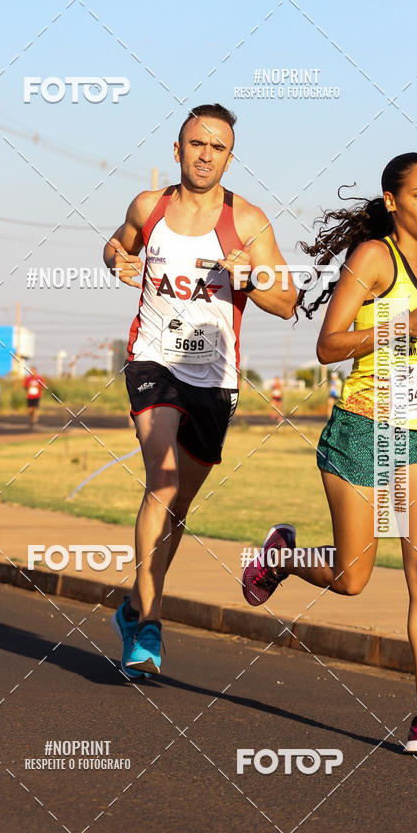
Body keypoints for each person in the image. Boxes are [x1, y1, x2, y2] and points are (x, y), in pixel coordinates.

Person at [242, 152, 417, 757]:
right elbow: (329, 345)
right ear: (393, 201)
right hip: (363, 431)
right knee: (352, 579)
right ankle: (283, 558)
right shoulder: (373, 257)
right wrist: (404, 327)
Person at [104, 103, 297, 677]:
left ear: (229, 158)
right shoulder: (149, 207)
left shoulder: (249, 222)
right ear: (178, 149)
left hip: (214, 378)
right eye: (196, 143)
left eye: (218, 147)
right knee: (161, 483)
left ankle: (133, 607)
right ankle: (151, 623)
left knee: (179, 506)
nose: (206, 155)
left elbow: (287, 301)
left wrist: (249, 278)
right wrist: (116, 261)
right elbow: (117, 246)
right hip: (152, 361)